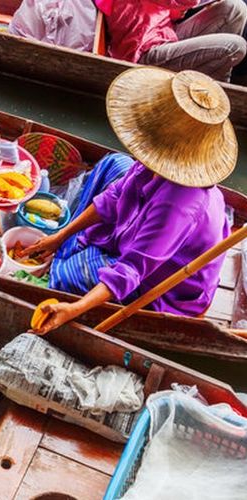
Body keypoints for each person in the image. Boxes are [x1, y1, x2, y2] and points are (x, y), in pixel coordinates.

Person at [28, 67, 237, 334]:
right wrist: (60, 235)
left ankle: (76, 258)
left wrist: (74, 309)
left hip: (160, 283)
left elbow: (133, 269)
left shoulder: (178, 205)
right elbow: (114, 197)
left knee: (66, 278)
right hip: (150, 232)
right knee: (115, 163)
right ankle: (72, 244)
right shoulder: (156, 163)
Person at [97, 0, 247, 81]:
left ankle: (219, 84)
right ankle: (211, 90)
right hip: (142, 56)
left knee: (235, 7)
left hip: (166, 36)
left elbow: (175, 12)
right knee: (234, 46)